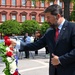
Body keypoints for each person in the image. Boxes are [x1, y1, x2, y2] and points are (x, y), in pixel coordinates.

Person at [20, 4, 75, 75]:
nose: (47, 20)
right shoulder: (50, 31)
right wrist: (19, 45)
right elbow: (37, 44)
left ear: (58, 16)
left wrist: (60, 60)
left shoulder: (72, 28)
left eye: (48, 17)